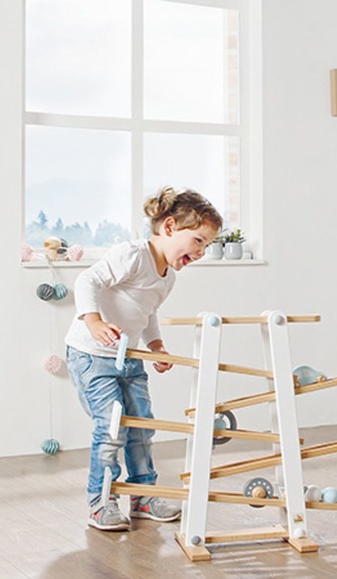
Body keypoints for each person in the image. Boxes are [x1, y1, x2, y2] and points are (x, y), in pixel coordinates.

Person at [65, 186, 223, 532]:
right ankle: (100, 500)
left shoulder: (168, 278)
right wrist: (92, 321)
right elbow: (87, 279)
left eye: (207, 246)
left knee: (142, 425)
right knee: (111, 425)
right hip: (92, 355)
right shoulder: (132, 255)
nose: (201, 252)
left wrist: (156, 346)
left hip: (130, 358)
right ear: (169, 227)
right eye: (198, 241)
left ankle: (142, 496)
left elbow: (147, 312)